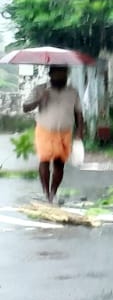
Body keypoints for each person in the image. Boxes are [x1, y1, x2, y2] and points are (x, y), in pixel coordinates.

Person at [22, 65, 85, 205]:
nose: (61, 77)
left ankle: (53, 193)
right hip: (45, 130)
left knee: (59, 163)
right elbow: (25, 108)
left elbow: (79, 113)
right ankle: (45, 192)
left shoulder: (73, 91)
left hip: (65, 131)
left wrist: (80, 131)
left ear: (67, 75)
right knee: (44, 160)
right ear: (50, 74)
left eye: (63, 74)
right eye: (57, 74)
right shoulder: (40, 89)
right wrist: (40, 99)